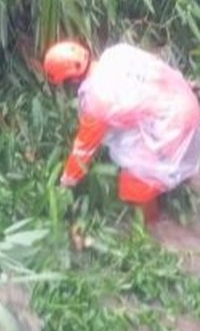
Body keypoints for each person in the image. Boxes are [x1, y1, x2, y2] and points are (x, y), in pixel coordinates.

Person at [42, 40, 200, 225]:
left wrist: (66, 183)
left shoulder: (97, 99)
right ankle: (185, 181)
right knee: (181, 161)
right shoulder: (117, 54)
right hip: (183, 99)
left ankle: (152, 231)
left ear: (71, 81)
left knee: (136, 184)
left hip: (171, 125)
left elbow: (83, 148)